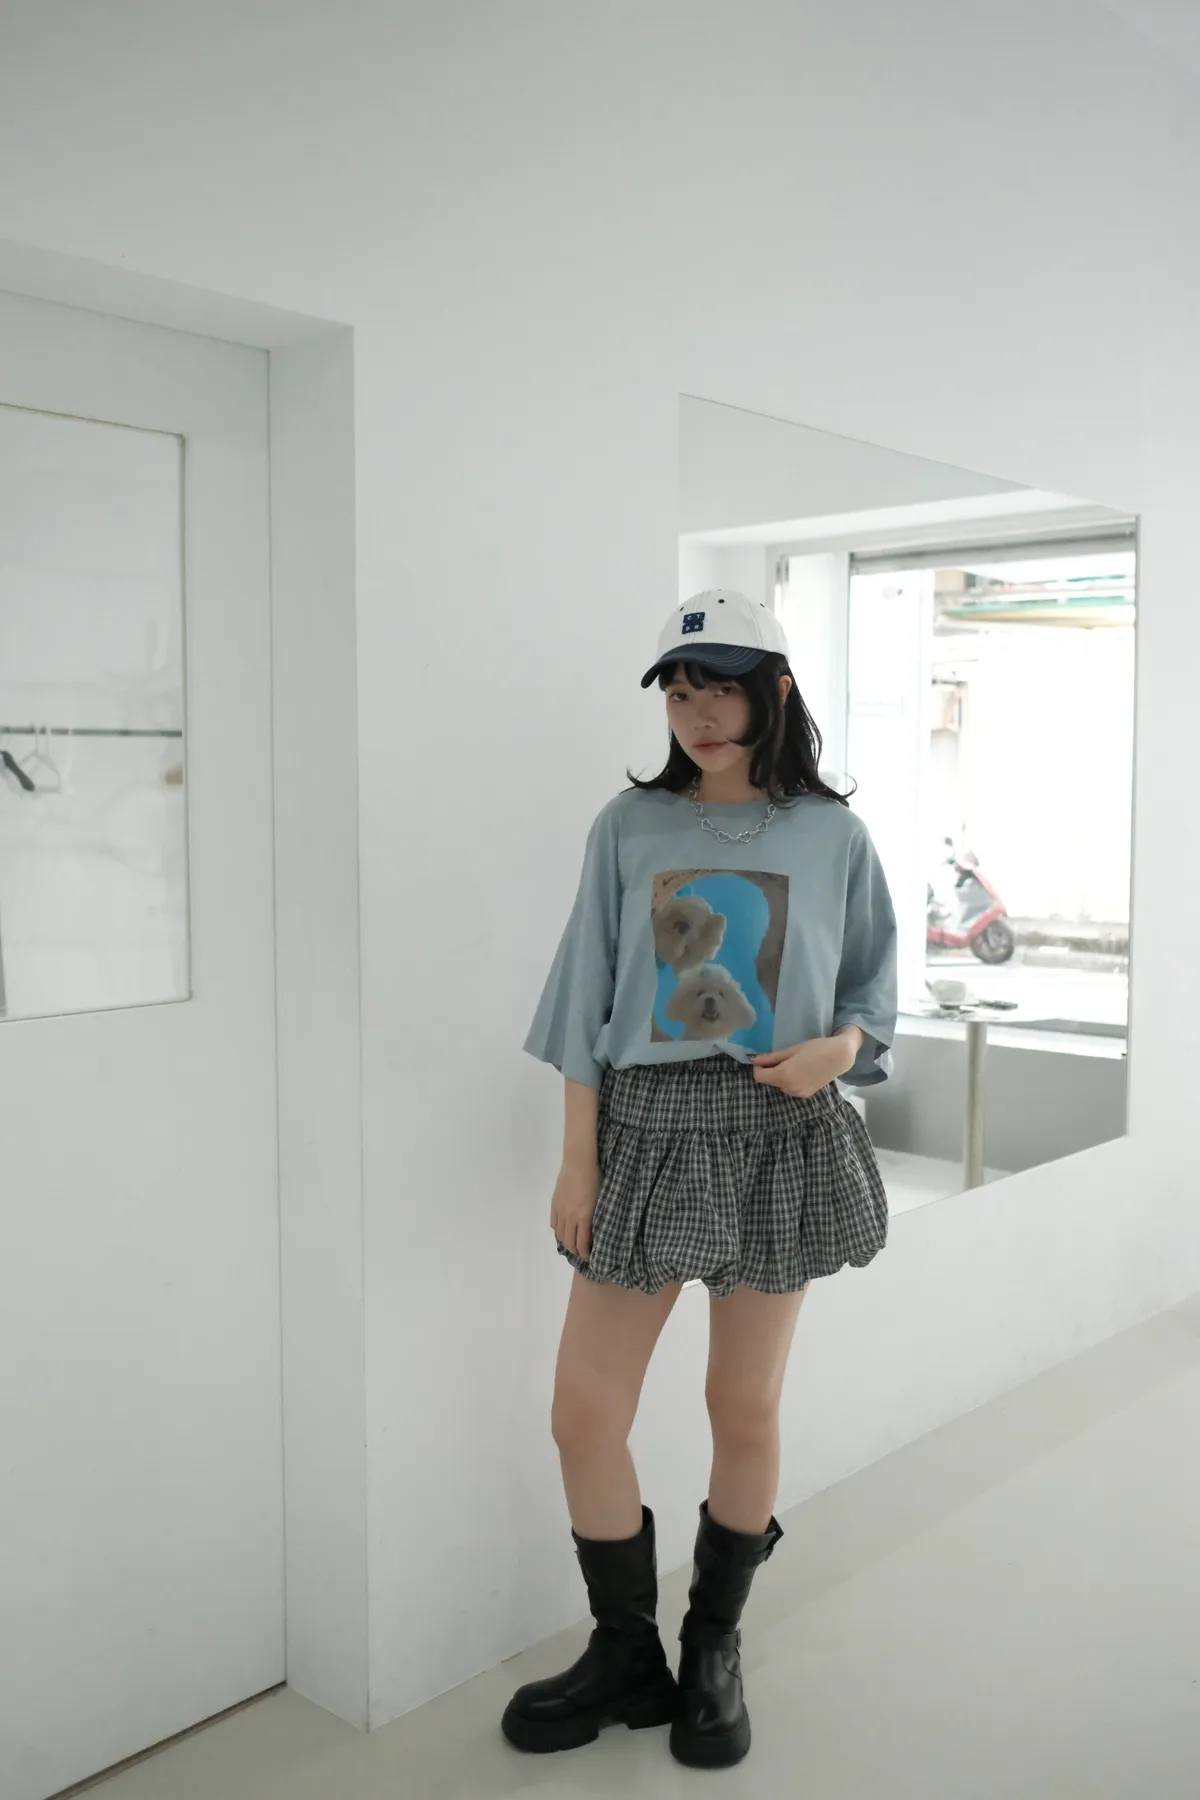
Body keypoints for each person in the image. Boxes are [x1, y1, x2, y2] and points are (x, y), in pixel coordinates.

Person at [501, 589, 897, 1771]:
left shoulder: (832, 836)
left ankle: (713, 1645)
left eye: (720, 689)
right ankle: (626, 1652)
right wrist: (579, 1159)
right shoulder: (629, 826)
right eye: (679, 692)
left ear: (776, 692)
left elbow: (874, 994)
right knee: (584, 1410)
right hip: (648, 1128)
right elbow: (585, 997)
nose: (697, 714)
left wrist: (836, 1051)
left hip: (780, 1130)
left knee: (745, 1407)